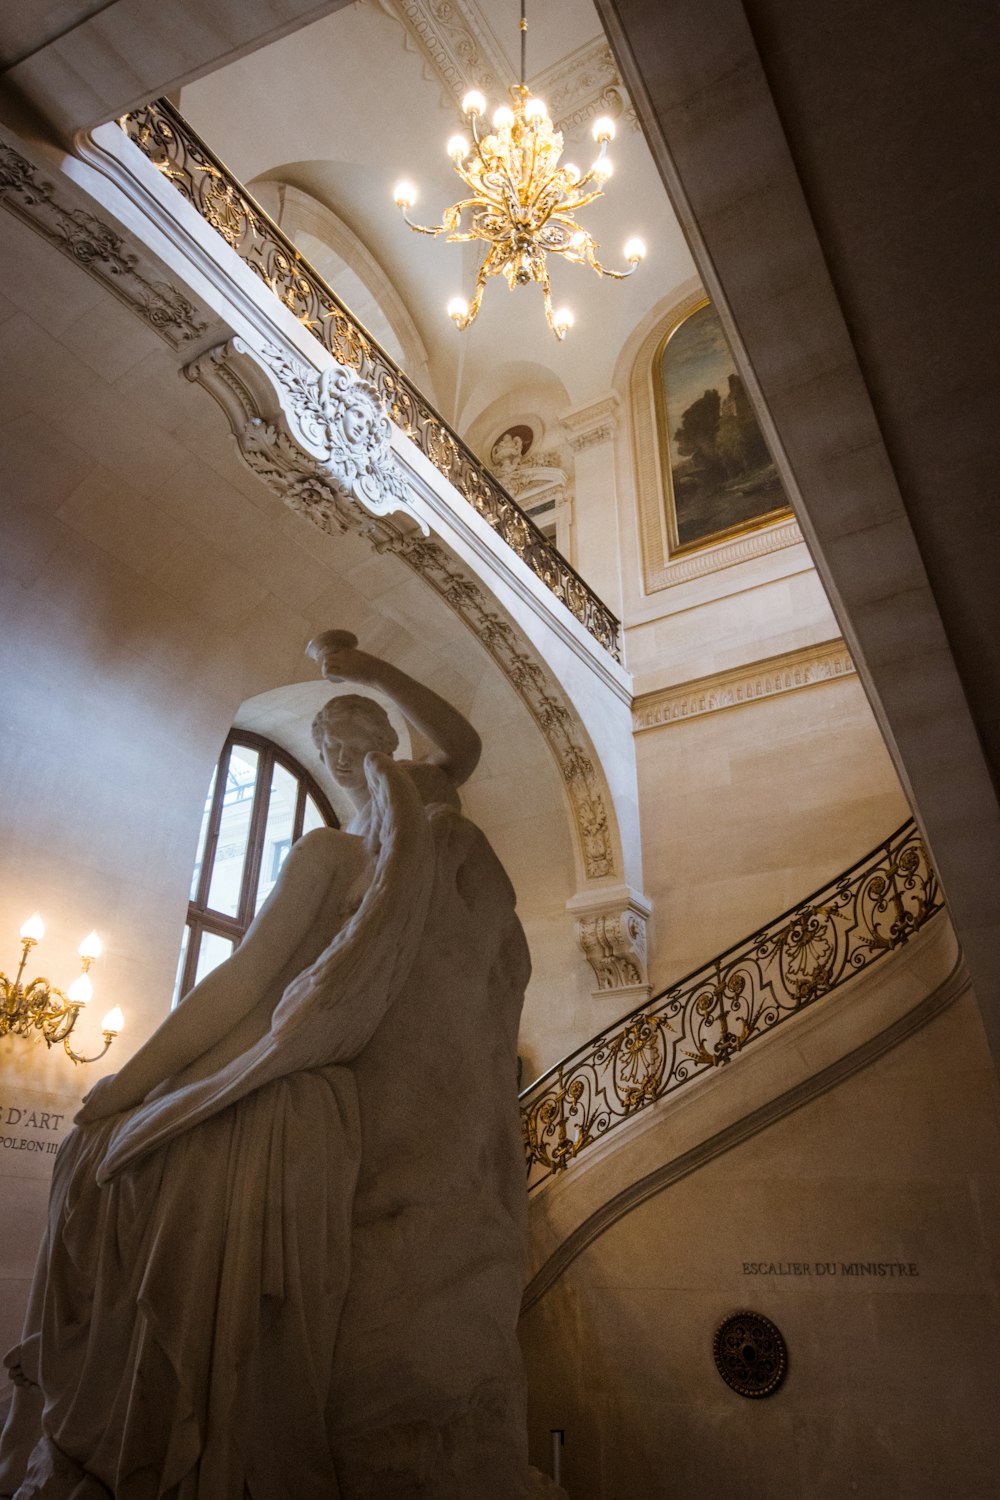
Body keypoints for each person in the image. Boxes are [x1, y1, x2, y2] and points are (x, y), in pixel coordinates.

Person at [0, 634, 531, 1500]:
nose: (338, 752)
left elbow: (244, 981)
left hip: (300, 1093)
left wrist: (128, 1089)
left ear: (368, 748)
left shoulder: (380, 836)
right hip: (321, 1092)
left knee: (111, 1169)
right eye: (330, 741)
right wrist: (131, 1084)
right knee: (122, 1159)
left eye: (342, 738)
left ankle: (136, 1436)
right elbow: (248, 987)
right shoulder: (375, 841)